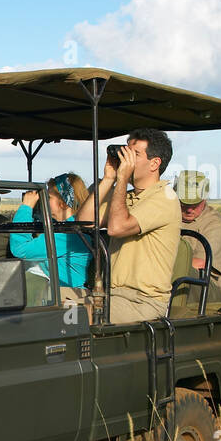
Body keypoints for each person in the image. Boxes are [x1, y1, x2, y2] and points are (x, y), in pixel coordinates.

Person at [96, 128, 180, 323]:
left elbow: (116, 228)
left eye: (134, 155)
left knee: (77, 316)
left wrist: (122, 178)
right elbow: (86, 221)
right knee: (51, 303)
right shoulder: (127, 197)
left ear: (155, 163)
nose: (128, 160)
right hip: (112, 296)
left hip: (143, 302)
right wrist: (109, 178)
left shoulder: (165, 197)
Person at [10, 172, 94, 289]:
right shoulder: (69, 227)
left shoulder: (69, 234)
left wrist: (26, 207)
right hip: (60, 289)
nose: (45, 201)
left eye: (48, 197)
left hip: (67, 292)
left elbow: (20, 249)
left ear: (64, 202)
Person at [174, 169, 221, 298]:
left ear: (204, 198)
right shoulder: (168, 216)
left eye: (195, 204)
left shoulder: (214, 223)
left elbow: (199, 263)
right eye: (184, 203)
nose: (189, 209)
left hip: (203, 287)